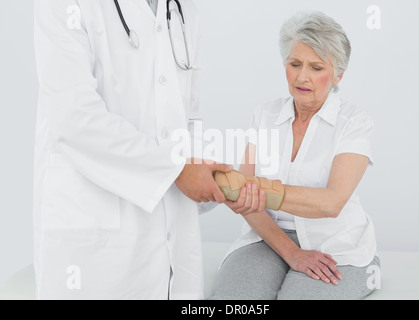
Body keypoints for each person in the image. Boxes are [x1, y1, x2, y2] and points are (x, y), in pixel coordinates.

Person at [33, 0, 231, 300]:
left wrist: (211, 178)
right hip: (94, 239)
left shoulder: (182, 12)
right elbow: (75, 118)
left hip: (173, 238)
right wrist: (176, 171)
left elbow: (188, 117)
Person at [210, 11, 380, 300]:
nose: (302, 77)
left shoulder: (354, 122)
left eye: (316, 67)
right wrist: (292, 253)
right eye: (295, 64)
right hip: (266, 238)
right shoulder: (265, 115)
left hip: (337, 245)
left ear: (338, 74)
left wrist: (251, 187)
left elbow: (332, 202)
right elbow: (245, 200)